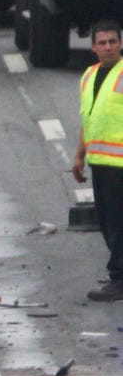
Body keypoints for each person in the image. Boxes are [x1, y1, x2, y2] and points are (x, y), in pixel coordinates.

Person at [74, 20, 123, 301]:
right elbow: (88, 118)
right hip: (100, 162)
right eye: (102, 42)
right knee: (107, 221)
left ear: (120, 43)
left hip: (121, 164)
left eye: (113, 41)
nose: (108, 47)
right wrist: (79, 155)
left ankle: (119, 278)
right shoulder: (89, 76)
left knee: (119, 222)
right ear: (93, 47)